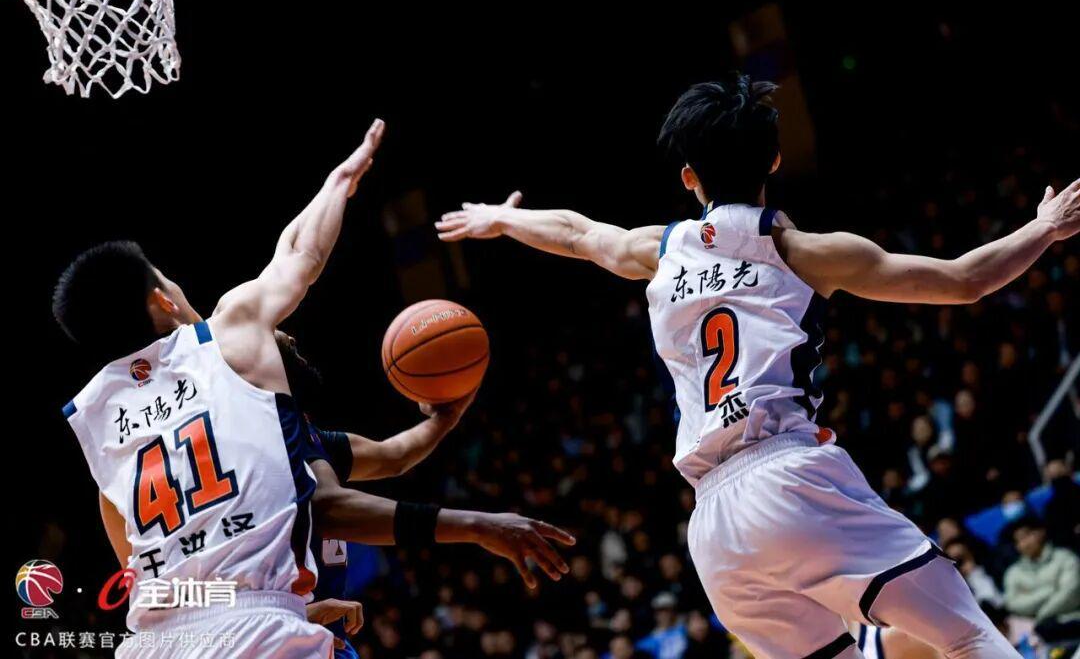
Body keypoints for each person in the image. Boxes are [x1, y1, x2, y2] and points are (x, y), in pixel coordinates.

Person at [436, 74, 1080, 659]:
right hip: (789, 478)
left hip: (715, 529)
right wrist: (1046, 227)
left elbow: (576, 232)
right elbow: (965, 280)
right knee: (965, 635)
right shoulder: (804, 251)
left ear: (689, 177)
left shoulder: (659, 251)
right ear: (774, 159)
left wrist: (502, 218)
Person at [55, 119, 387, 658]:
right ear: (164, 300)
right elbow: (299, 257)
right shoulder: (227, 340)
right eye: (167, 278)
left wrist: (281, 606)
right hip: (260, 637)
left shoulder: (104, 437)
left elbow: (162, 593)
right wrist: (340, 182)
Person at [276, 331, 577, 656]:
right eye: (270, 331)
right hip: (281, 642)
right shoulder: (264, 441)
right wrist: (479, 526)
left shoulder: (305, 434)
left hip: (317, 640)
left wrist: (448, 415)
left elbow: (394, 456)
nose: (290, 335)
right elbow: (329, 507)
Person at [1003, 516, 1080, 642]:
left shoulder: (1065, 557)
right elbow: (1013, 604)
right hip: (1037, 635)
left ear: (1040, 533)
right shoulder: (1013, 573)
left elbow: (1071, 593)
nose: (1024, 544)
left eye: (1026, 536)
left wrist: (1042, 615)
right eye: (1018, 541)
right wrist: (1049, 591)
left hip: (1072, 620)